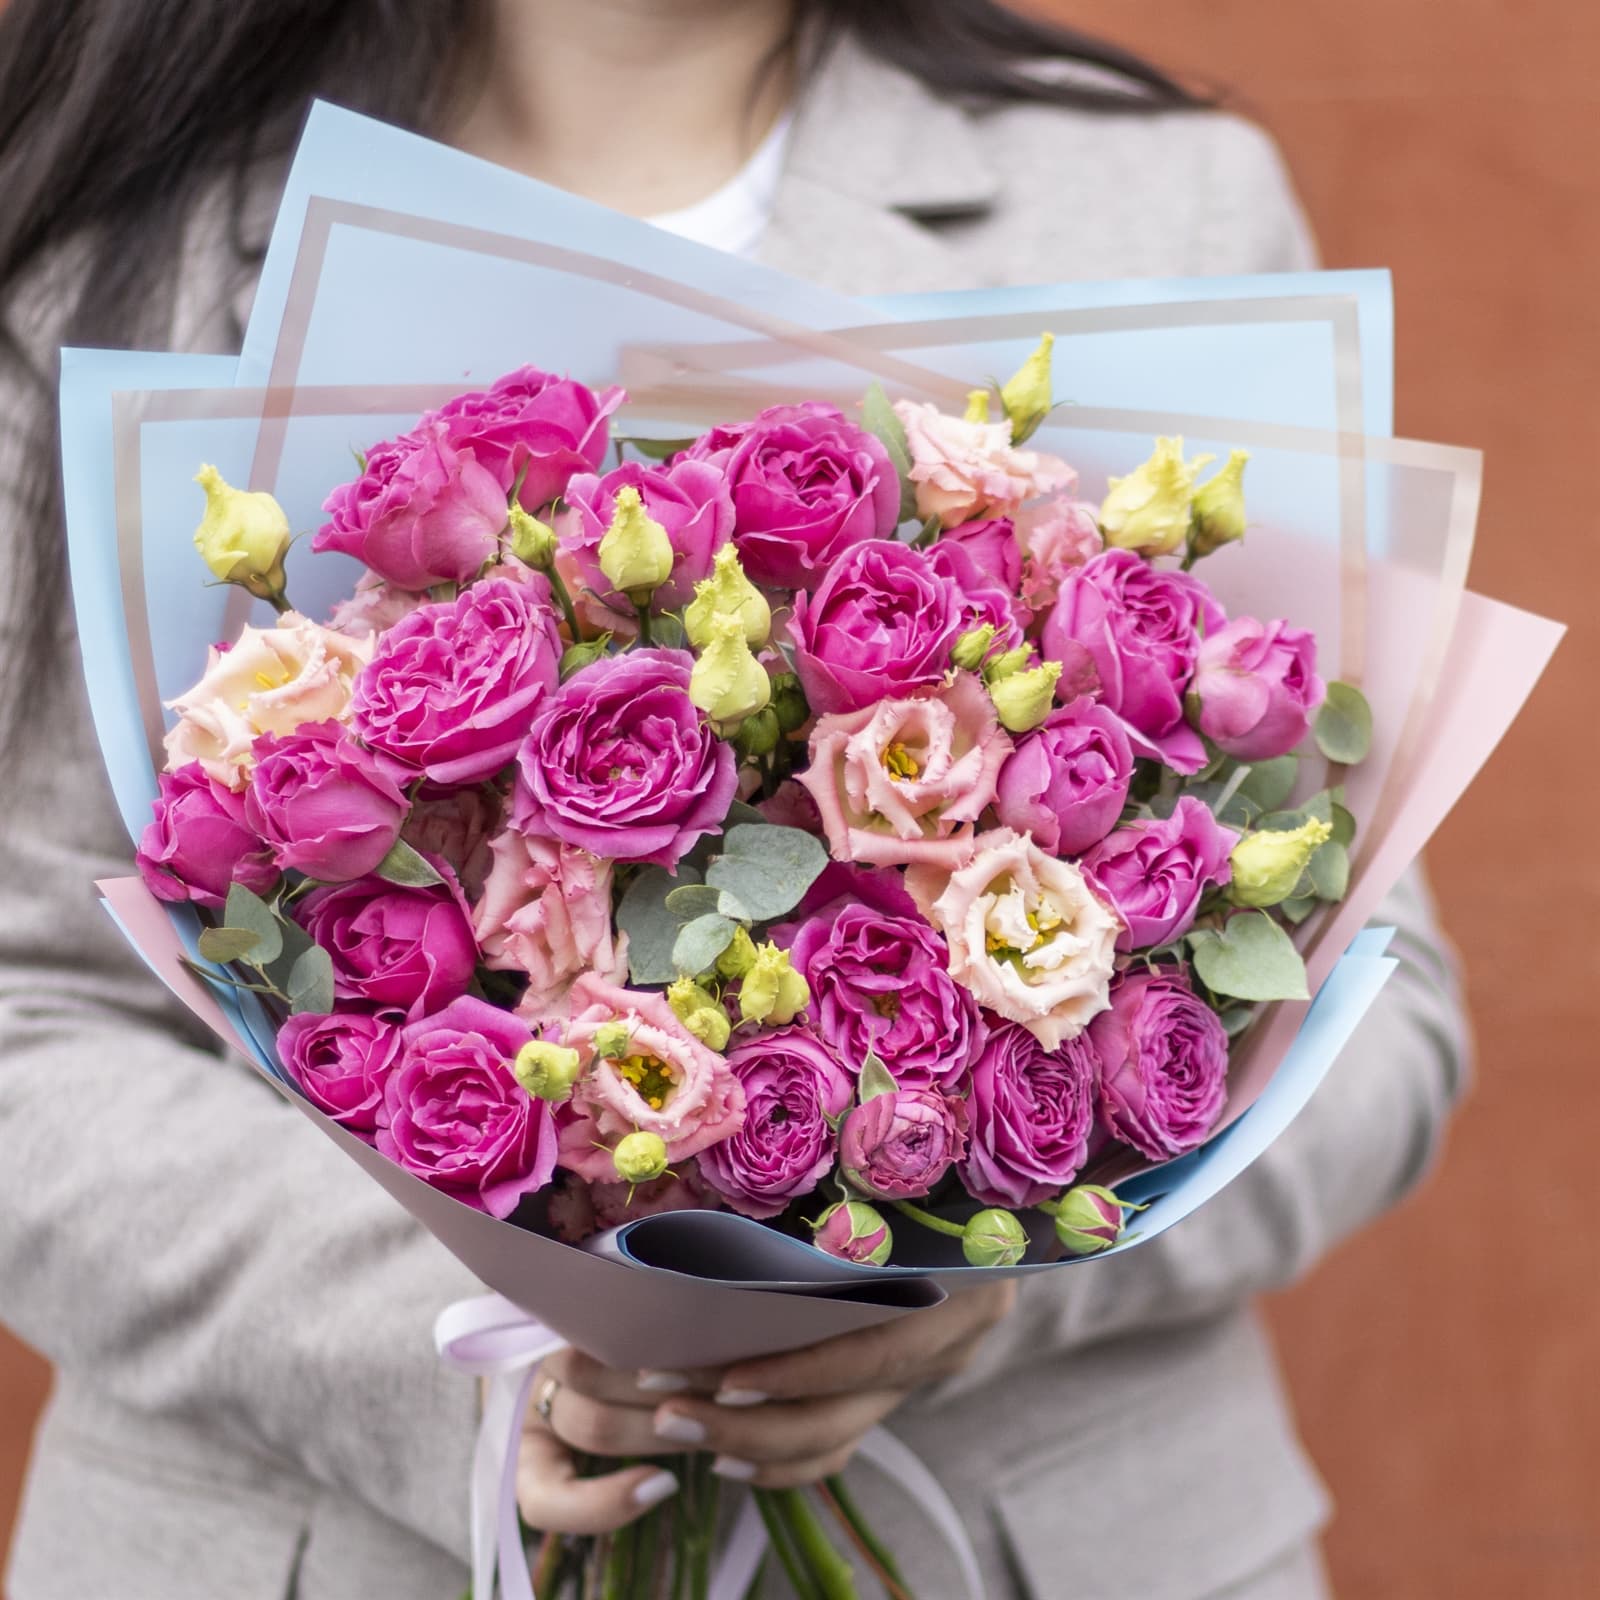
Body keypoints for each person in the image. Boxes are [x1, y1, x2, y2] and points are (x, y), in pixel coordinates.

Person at [0, 3, 1468, 1597]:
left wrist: (1006, 1274)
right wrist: (466, 1358)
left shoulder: (1156, 195)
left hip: (1035, 1534)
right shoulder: (106, 220)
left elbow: (1381, 1013)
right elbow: (31, 1010)